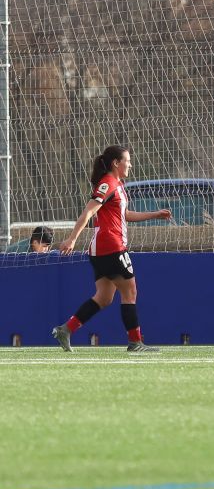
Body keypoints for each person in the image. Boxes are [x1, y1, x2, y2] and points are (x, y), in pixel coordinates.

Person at [51, 145, 172, 352]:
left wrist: (154, 215)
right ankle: (135, 342)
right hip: (111, 246)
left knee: (105, 297)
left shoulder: (117, 185)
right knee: (130, 291)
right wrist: (72, 239)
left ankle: (66, 329)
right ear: (116, 163)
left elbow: (124, 215)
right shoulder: (107, 184)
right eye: (127, 160)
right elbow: (89, 212)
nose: (130, 164)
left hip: (101, 250)